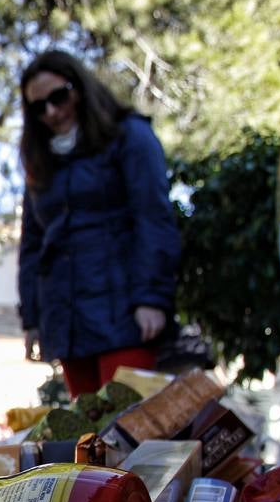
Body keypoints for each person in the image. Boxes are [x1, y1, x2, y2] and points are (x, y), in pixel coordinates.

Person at [17, 50, 179, 397]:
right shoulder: (39, 162)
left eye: (58, 97)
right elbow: (32, 244)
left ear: (79, 88)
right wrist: (32, 318)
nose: (51, 111)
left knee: (130, 432)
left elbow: (153, 218)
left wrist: (151, 298)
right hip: (69, 321)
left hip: (126, 315)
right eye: (38, 106)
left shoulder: (129, 136)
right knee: (88, 435)